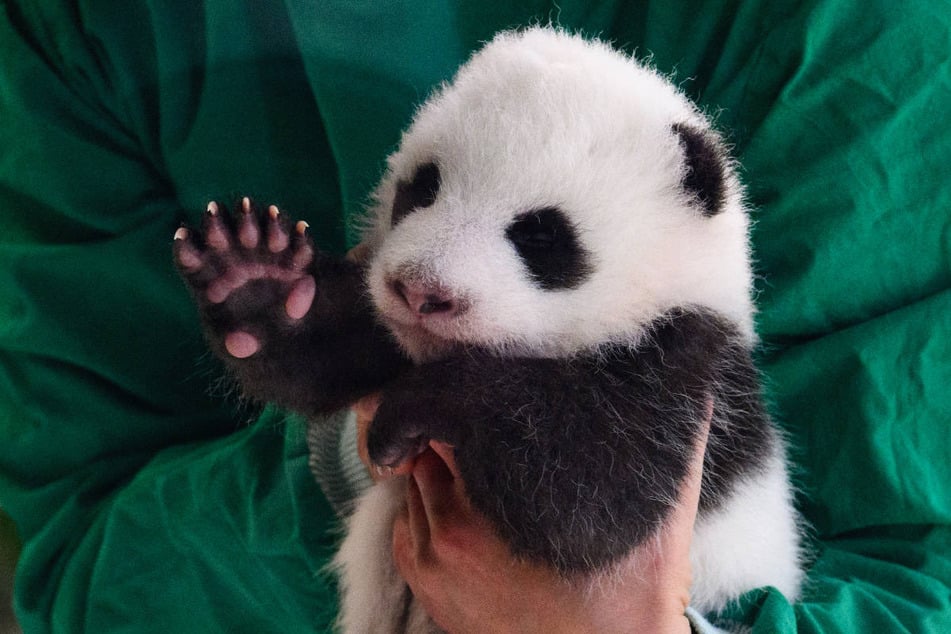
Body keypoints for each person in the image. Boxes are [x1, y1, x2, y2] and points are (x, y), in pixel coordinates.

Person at [1, 2, 948, 632]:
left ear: (680, 198)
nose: (430, 271)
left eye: (537, 237)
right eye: (421, 194)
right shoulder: (85, 31)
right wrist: (342, 404)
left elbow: (915, 562)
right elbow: (83, 549)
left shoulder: (668, 355)